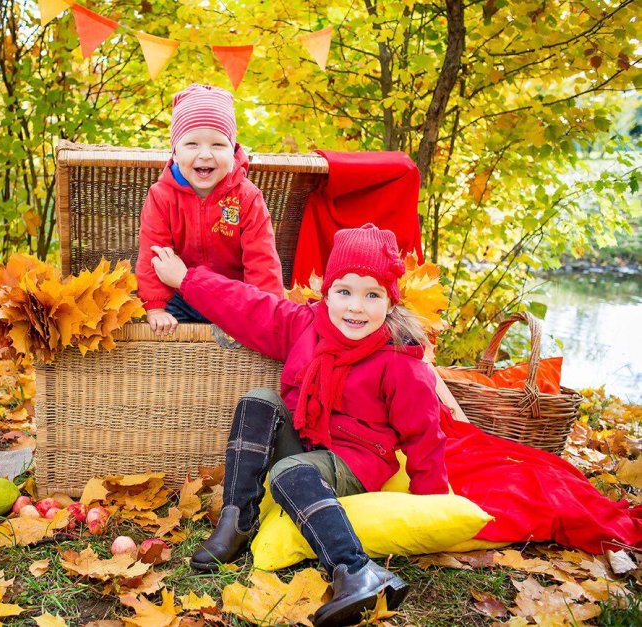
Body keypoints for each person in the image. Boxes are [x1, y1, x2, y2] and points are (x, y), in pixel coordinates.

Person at [149, 224, 449, 626]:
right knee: (259, 401)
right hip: (308, 442)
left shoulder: (399, 361)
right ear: (327, 294)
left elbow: (424, 432)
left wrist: (430, 504)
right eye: (344, 292)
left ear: (390, 303)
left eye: (372, 295)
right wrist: (187, 279)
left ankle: (356, 570)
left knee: (290, 471)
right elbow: (247, 305)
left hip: (355, 461)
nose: (355, 307)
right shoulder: (304, 324)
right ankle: (237, 521)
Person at [135, 83, 283, 337]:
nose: (205, 154)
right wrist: (156, 307)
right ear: (175, 151)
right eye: (192, 144)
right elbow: (153, 253)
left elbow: (262, 259)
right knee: (157, 329)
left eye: (218, 144)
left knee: (251, 335)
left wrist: (267, 311)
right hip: (179, 295)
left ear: (234, 151)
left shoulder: (247, 197)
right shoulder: (162, 196)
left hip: (232, 296)